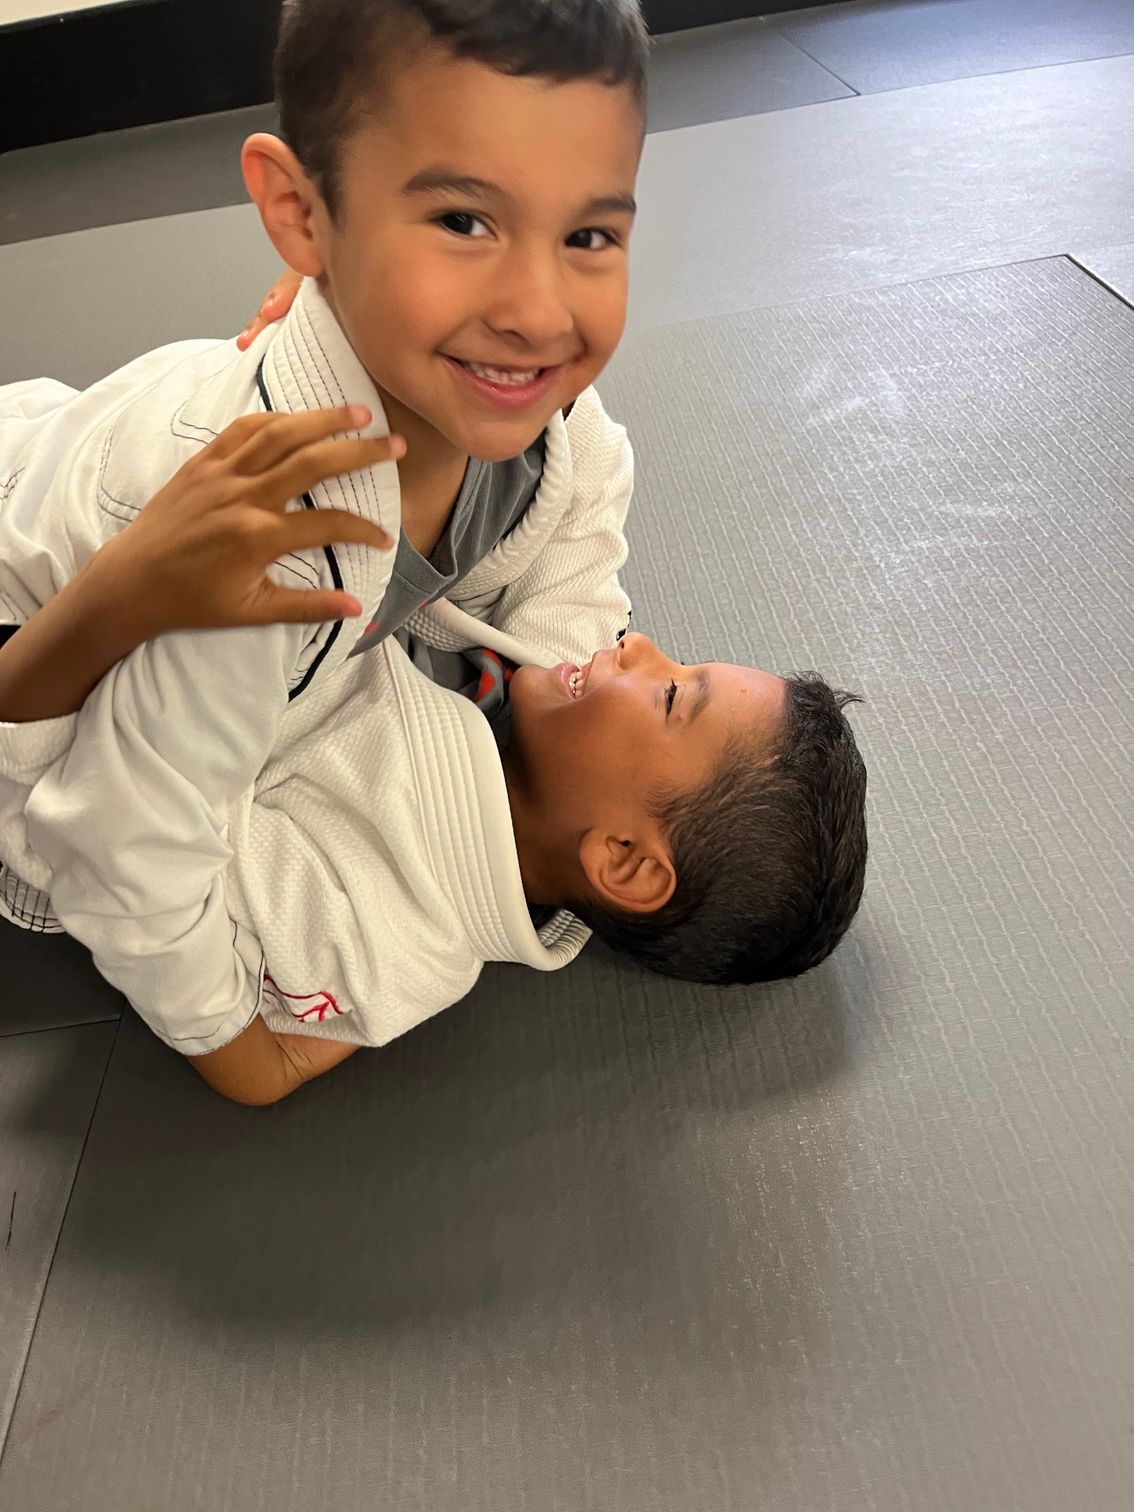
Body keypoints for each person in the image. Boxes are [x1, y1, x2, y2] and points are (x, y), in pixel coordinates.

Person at [0, 1, 649, 1061]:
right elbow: (113, 848)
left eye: (588, 234)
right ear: (300, 211)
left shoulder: (566, 450)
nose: (538, 312)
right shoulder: (266, 565)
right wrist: (234, 1042)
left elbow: (572, 627)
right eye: (463, 222)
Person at [0, 425, 868, 1107]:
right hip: (69, 464)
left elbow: (128, 854)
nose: (639, 647)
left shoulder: (396, 930)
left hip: (47, 652)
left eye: (674, 696)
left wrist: (231, 1046)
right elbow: (585, 465)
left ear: (625, 861)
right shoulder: (562, 689)